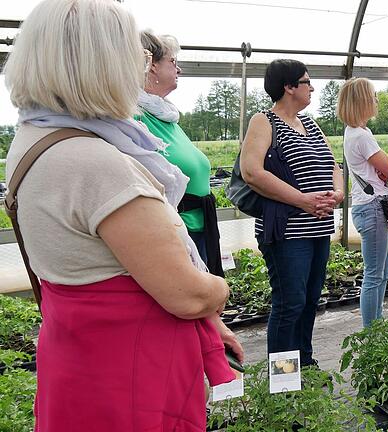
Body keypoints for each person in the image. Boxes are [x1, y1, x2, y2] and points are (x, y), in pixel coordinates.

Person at [3, 0, 241, 429]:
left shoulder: (34, 137)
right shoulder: (96, 161)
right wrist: (216, 291)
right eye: (136, 55)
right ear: (104, 64)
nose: (139, 67)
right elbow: (188, 295)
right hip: (131, 373)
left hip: (80, 359)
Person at [240, 59, 343, 367]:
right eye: (306, 81)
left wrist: (336, 194)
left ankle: (305, 364)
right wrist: (302, 201)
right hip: (287, 231)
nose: (312, 87)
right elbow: (252, 172)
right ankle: (284, 381)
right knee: (290, 303)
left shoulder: (310, 122)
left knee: (310, 300)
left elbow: (333, 165)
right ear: (288, 87)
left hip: (318, 228)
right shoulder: (264, 121)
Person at [137, 30, 224, 276]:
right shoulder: (135, 119)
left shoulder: (165, 116)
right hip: (173, 235)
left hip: (196, 228)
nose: (179, 70)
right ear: (151, 65)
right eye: (173, 62)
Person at [337, 78, 388, 328]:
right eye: (373, 96)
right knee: (374, 274)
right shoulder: (361, 136)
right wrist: (386, 169)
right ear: (362, 101)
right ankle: (372, 330)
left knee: (384, 270)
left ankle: (377, 322)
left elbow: (383, 170)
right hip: (371, 208)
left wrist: (382, 170)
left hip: (370, 207)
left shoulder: (357, 133)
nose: (376, 100)